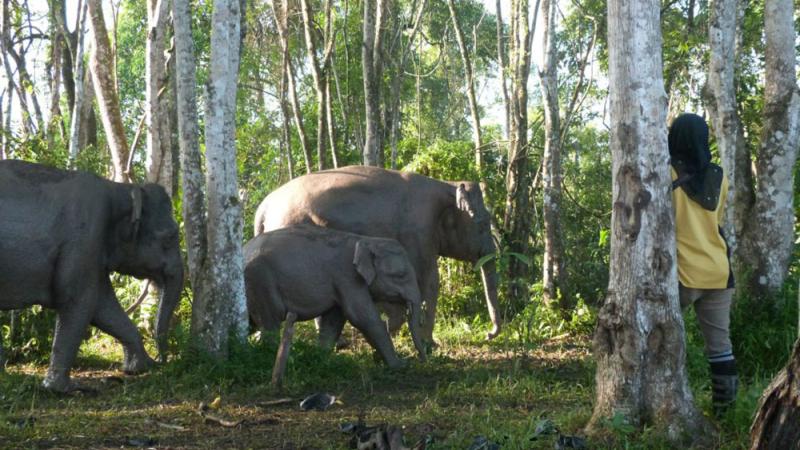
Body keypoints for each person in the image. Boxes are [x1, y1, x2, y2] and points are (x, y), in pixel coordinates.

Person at [668, 113, 737, 415]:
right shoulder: (720, 176)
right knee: (720, 347)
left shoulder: (665, 173)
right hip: (719, 272)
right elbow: (717, 221)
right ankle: (726, 412)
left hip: (682, 275)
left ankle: (664, 405)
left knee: (654, 336)